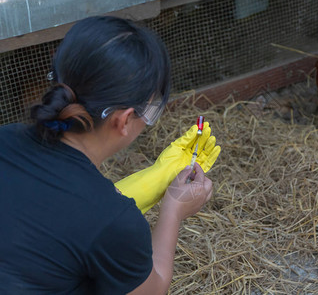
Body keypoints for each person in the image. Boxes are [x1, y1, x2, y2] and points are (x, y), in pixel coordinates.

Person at [0, 16, 220, 294]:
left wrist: (157, 176)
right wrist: (173, 210)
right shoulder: (114, 223)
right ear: (124, 120)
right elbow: (152, 289)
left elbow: (62, 211)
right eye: (151, 110)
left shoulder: (6, 137)